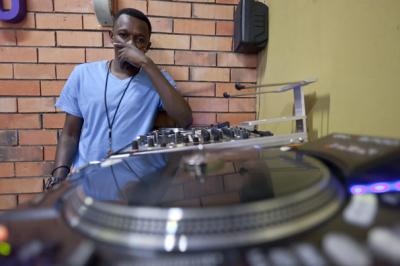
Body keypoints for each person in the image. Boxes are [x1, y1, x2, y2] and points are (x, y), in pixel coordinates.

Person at [45, 8, 192, 189]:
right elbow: (70, 134)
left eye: (139, 40)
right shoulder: (83, 74)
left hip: (131, 185)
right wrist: (59, 176)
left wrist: (147, 64)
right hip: (84, 181)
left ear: (147, 46)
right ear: (112, 37)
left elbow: (184, 119)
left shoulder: (157, 78)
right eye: (123, 35)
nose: (130, 44)